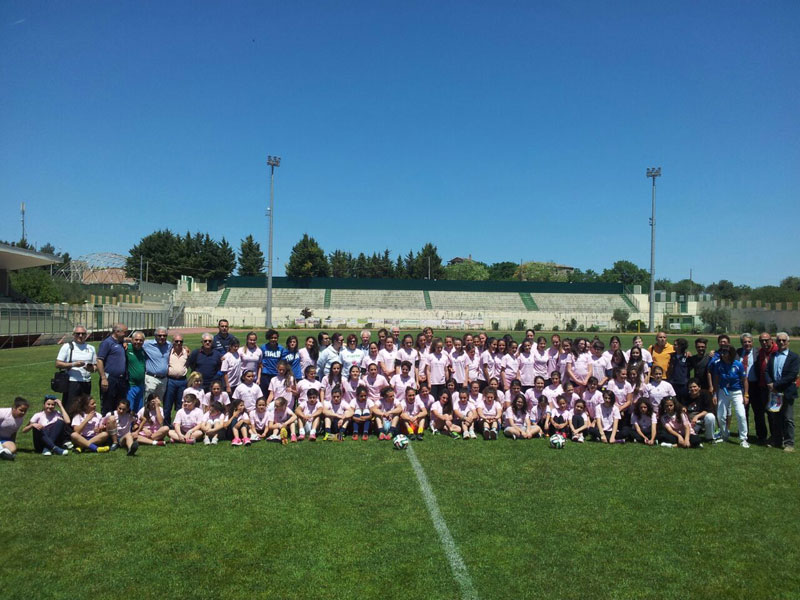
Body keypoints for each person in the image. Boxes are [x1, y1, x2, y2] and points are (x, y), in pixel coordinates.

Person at [766, 332, 799, 452]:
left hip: (787, 392)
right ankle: (777, 440)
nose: (781, 342)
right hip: (774, 392)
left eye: (784, 340)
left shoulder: (794, 357)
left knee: (788, 418)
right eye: (779, 340)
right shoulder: (773, 356)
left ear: (788, 342)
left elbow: (791, 375)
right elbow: (767, 371)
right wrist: (769, 383)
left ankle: (789, 443)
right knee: (776, 418)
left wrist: (775, 385)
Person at [711, 346, 749, 448]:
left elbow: (744, 380)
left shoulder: (738, 364)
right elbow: (716, 380)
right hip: (723, 391)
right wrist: (715, 393)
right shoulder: (718, 365)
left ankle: (743, 438)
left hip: (736, 391)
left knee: (741, 415)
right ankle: (724, 435)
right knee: (720, 415)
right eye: (722, 352)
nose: (723, 354)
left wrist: (746, 394)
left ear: (731, 353)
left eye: (725, 352)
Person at [55, 325, 96, 414]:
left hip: (86, 382)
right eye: (78, 334)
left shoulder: (91, 348)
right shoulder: (67, 347)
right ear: (73, 335)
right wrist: (74, 364)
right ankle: (68, 427)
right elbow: (58, 364)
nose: (80, 336)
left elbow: (95, 367)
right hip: (72, 382)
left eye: (83, 334)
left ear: (86, 335)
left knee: (84, 408)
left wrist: (90, 368)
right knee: (70, 408)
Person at [749, 333, 778, 445]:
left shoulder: (776, 351)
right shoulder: (760, 352)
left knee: (772, 414)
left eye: (766, 340)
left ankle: (775, 436)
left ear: (771, 340)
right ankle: (762, 436)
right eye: (762, 341)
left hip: (774, 388)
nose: (764, 343)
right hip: (762, 387)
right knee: (760, 413)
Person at [96, 323, 129, 415]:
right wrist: (103, 378)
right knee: (108, 405)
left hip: (121, 380)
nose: (126, 334)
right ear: (117, 332)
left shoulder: (121, 342)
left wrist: (124, 341)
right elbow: (99, 360)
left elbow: (129, 339)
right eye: (125, 332)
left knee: (120, 405)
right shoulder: (107, 343)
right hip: (110, 379)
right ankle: (106, 426)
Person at [164, 333, 189, 427]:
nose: (178, 343)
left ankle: (178, 425)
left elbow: (189, 364)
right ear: (172, 342)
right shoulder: (168, 352)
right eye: (176, 341)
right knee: (167, 404)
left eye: (181, 341)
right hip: (170, 380)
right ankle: (166, 425)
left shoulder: (186, 352)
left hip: (182, 381)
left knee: (180, 405)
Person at [142, 326, 171, 401]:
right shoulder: (147, 344)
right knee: (148, 402)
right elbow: (135, 341)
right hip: (151, 379)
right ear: (155, 336)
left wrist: (184, 347)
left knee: (158, 402)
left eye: (164, 336)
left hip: (163, 380)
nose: (162, 337)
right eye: (160, 335)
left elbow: (178, 345)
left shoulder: (169, 345)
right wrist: (124, 343)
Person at [260, 329, 286, 397]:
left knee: (275, 393)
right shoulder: (263, 347)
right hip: (265, 374)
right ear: (268, 338)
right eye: (271, 338)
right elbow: (260, 360)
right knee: (264, 394)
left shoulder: (281, 348)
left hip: (276, 374)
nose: (273, 339)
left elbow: (282, 362)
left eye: (275, 338)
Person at [667, 338, 691, 403]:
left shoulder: (687, 357)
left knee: (683, 401)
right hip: (673, 382)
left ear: (681, 346)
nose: (673, 346)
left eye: (675, 345)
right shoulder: (672, 356)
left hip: (683, 383)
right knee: (674, 401)